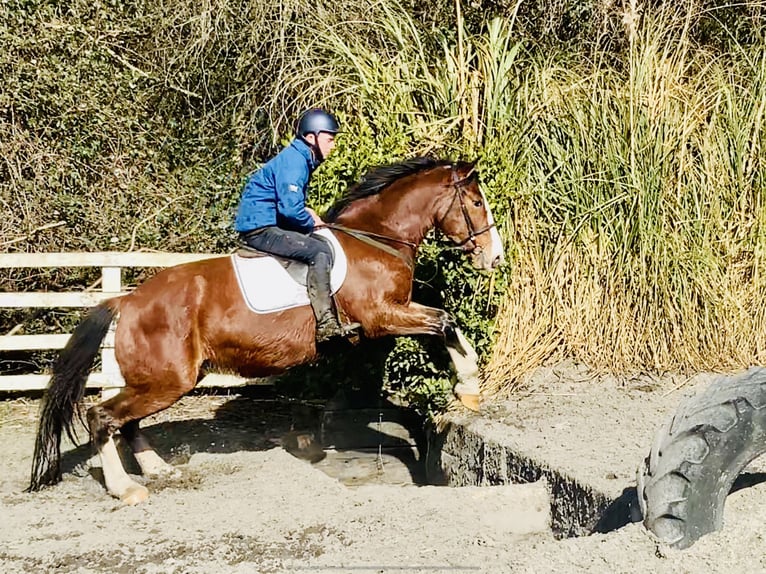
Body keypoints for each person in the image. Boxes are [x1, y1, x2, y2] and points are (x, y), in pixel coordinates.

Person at [234, 108, 358, 343]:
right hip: (261, 229)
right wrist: (311, 223)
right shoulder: (295, 162)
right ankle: (326, 325)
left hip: (268, 223)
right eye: (329, 139)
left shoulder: (300, 157)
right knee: (318, 251)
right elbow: (290, 210)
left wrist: (308, 215)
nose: (333, 146)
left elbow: (290, 204)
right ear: (311, 138)